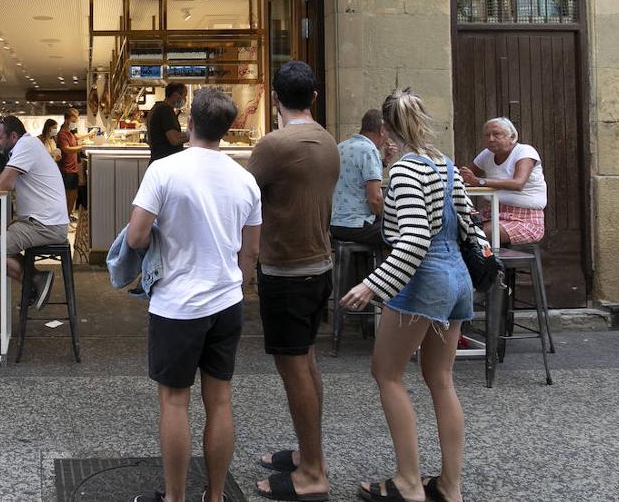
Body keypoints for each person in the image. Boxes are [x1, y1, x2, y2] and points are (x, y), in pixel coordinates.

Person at [340, 89, 480, 502]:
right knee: (441, 380)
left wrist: (372, 285)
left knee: (386, 373)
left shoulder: (403, 171)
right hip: (457, 278)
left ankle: (407, 482)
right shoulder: (446, 166)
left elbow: (415, 239)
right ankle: (450, 487)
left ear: (384, 131)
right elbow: (469, 225)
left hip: (423, 281)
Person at [126, 88, 262, 502]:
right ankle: (216, 496)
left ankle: (175, 498)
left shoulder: (165, 171)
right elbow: (251, 251)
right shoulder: (245, 179)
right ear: (226, 129)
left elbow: (135, 236)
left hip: (177, 304)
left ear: (189, 124)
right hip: (226, 302)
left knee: (174, 403)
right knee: (219, 401)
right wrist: (238, 286)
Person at [247, 61, 339, 502]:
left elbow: (244, 197)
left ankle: (314, 473)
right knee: (307, 362)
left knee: (294, 370)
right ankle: (308, 454)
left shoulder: (274, 144)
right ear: (313, 98)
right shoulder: (327, 140)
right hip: (319, 265)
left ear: (276, 99)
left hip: (286, 270)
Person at [0, 115, 72, 310]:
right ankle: (36, 278)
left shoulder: (26, 145)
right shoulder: (27, 145)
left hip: (45, 225)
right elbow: (8, 181)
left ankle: (36, 279)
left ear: (13, 136)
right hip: (42, 221)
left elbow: (6, 183)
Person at [459, 117, 547, 246]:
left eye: (496, 134)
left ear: (512, 137)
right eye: (487, 135)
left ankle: (489, 266)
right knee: (459, 228)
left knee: (479, 234)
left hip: (524, 220)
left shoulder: (525, 151)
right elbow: (466, 178)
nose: (491, 139)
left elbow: (518, 184)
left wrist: (479, 182)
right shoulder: (486, 154)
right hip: (491, 213)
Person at [330, 109, 397, 248]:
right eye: (388, 132)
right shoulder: (369, 150)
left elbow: (356, 175)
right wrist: (385, 216)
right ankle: (386, 270)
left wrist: (384, 161)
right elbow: (375, 199)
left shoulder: (341, 147)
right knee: (402, 232)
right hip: (357, 225)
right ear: (382, 130)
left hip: (336, 225)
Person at [56, 108, 87, 217]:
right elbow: (67, 149)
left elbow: (73, 144)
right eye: (73, 121)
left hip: (73, 169)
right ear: (66, 120)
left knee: (73, 196)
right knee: (67, 197)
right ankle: (64, 219)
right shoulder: (62, 134)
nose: (75, 124)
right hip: (67, 170)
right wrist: (82, 147)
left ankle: (67, 217)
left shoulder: (70, 133)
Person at [146, 83, 189, 162]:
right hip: (165, 162)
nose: (185, 100)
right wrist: (193, 136)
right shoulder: (165, 110)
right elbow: (174, 140)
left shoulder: (156, 108)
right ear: (175, 95)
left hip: (158, 161)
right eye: (184, 96)